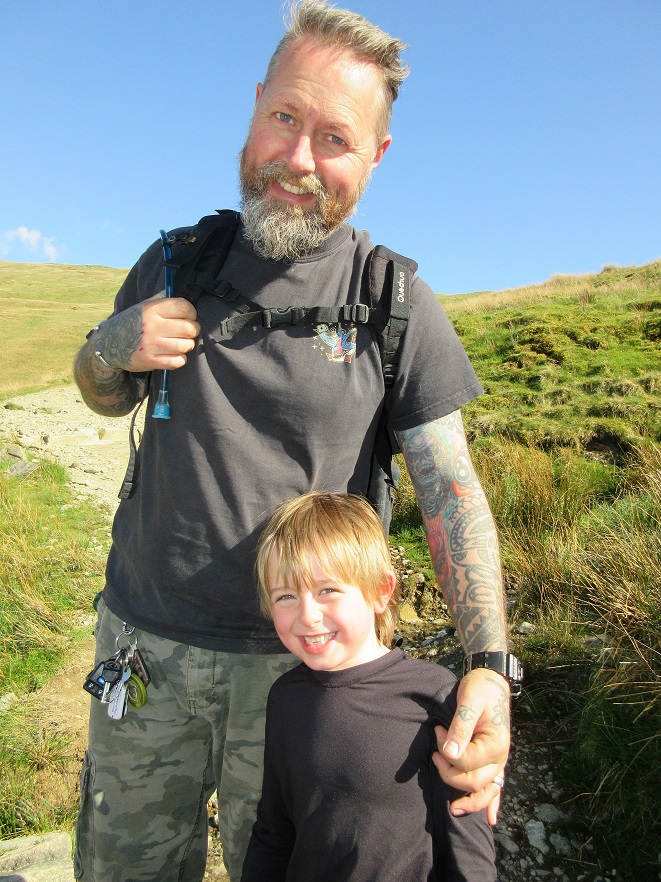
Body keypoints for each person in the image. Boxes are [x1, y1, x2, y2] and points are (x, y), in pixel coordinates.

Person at [73, 2, 515, 880]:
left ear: (376, 155)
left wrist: (491, 669)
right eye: (284, 117)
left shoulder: (395, 304)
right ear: (254, 107)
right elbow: (104, 394)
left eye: (335, 138)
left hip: (309, 677)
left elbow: (451, 490)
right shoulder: (174, 262)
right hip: (143, 649)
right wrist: (106, 350)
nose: (299, 158)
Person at [241, 491, 497, 882]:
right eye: (286, 596)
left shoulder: (437, 696)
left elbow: (468, 846)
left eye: (327, 590)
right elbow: (274, 831)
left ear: (380, 591)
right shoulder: (284, 697)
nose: (307, 615)